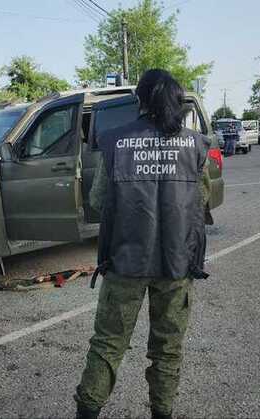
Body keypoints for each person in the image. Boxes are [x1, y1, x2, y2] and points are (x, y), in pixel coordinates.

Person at [75, 69, 210, 419]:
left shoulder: (117, 142)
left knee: (107, 345)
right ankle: (162, 413)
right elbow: (202, 201)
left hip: (125, 261)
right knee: (167, 349)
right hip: (177, 264)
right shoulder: (195, 145)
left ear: (139, 100)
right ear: (178, 100)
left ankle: (87, 411)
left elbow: (98, 199)